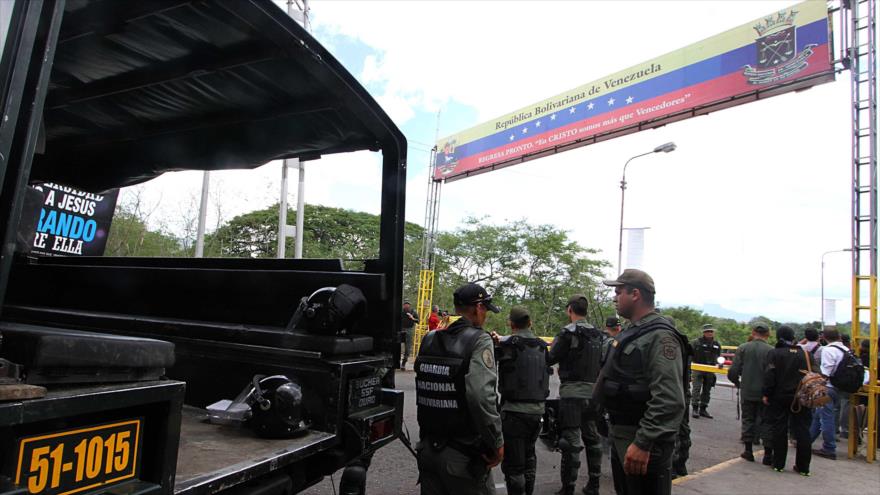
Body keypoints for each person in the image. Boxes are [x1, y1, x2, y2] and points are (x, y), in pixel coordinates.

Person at [595, 269, 687, 495]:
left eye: (618, 292)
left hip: (643, 442)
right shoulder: (634, 331)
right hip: (623, 435)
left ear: (635, 294)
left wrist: (644, 442)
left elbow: (669, 399)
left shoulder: (660, 337)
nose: (614, 297)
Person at [414, 283, 503, 495]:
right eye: (485, 310)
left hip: (427, 450)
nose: (485, 316)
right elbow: (481, 396)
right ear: (478, 307)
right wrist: (496, 442)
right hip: (462, 456)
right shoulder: (479, 340)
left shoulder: (429, 339)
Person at [547, 295, 605, 495]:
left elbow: (550, 357)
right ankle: (594, 485)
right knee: (593, 438)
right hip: (593, 394)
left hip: (572, 393)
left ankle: (568, 487)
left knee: (570, 442)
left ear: (570, 309)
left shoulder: (567, 333)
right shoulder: (599, 334)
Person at [491, 306, 550, 495]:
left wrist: (496, 340)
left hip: (515, 413)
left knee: (514, 466)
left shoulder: (508, 345)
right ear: (530, 323)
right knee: (529, 458)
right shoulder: (542, 345)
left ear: (511, 323)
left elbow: (493, 354)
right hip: (538, 412)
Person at [762, 325, 814, 475]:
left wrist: (766, 393)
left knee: (780, 429)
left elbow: (769, 376)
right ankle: (803, 468)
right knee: (803, 431)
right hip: (802, 398)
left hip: (780, 397)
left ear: (779, 337)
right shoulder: (805, 354)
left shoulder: (775, 353)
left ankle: (778, 464)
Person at [728, 322, 773, 464]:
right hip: (765, 393)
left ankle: (748, 450)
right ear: (768, 334)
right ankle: (767, 454)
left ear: (753, 332)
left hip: (747, 390)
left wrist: (738, 383)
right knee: (766, 421)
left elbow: (733, 371)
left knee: (748, 419)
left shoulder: (743, 348)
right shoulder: (771, 350)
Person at [809, 328, 848, 460]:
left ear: (824, 337)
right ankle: (806, 441)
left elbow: (826, 372)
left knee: (826, 418)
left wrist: (816, 385)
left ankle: (829, 448)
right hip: (840, 389)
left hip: (828, 388)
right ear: (839, 337)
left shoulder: (828, 350)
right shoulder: (846, 350)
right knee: (818, 415)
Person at [690, 324, 721, 419]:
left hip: (710, 369)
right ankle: (695, 408)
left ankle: (703, 409)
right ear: (704, 332)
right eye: (707, 331)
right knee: (696, 388)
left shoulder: (716, 344)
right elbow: (689, 354)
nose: (709, 333)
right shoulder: (696, 342)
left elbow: (718, 357)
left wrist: (719, 364)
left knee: (707, 390)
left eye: (711, 331)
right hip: (697, 368)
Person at [400, 301, 418, 369]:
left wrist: (412, 318)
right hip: (401, 329)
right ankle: (395, 362)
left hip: (409, 330)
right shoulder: (400, 311)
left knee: (408, 348)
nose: (406, 306)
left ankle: (403, 363)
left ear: (409, 305)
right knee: (396, 346)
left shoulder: (413, 311)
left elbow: (418, 321)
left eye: (408, 305)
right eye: (405, 305)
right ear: (403, 305)